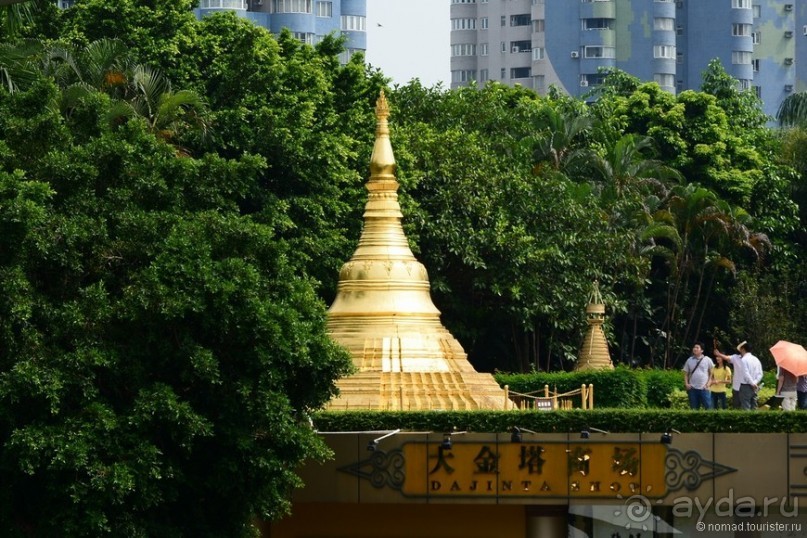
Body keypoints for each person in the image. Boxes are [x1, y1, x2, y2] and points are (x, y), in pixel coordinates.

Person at [715, 341, 760, 410]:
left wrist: (754, 383)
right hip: (738, 387)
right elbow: (727, 358)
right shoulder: (736, 357)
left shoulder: (752, 359)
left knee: (749, 406)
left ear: (743, 349)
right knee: (738, 406)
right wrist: (719, 354)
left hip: (748, 386)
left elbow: (751, 373)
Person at [683, 342, 714, 410]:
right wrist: (686, 384)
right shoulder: (689, 360)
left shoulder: (707, 359)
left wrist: (708, 384)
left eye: (697, 347)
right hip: (692, 389)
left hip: (704, 388)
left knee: (708, 408)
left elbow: (711, 373)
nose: (695, 349)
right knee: (694, 409)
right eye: (694, 347)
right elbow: (685, 374)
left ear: (702, 350)